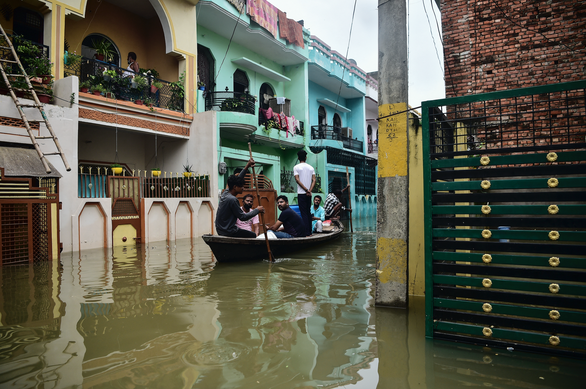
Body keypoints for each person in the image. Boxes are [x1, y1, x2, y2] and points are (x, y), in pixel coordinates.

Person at [215, 159, 265, 238]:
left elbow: (237, 180)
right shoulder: (232, 199)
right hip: (229, 231)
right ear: (235, 187)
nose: (243, 188)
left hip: (220, 229)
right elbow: (243, 217)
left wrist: (247, 165)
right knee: (253, 235)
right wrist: (257, 210)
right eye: (241, 186)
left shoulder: (225, 193)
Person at [293, 150, 315, 236]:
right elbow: (314, 180)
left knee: (304, 213)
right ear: (306, 157)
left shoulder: (296, 167)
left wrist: (306, 190)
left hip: (302, 193)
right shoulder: (311, 167)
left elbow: (297, 180)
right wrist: (310, 190)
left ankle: (306, 232)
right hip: (309, 194)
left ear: (298, 158)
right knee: (308, 212)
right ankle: (310, 232)